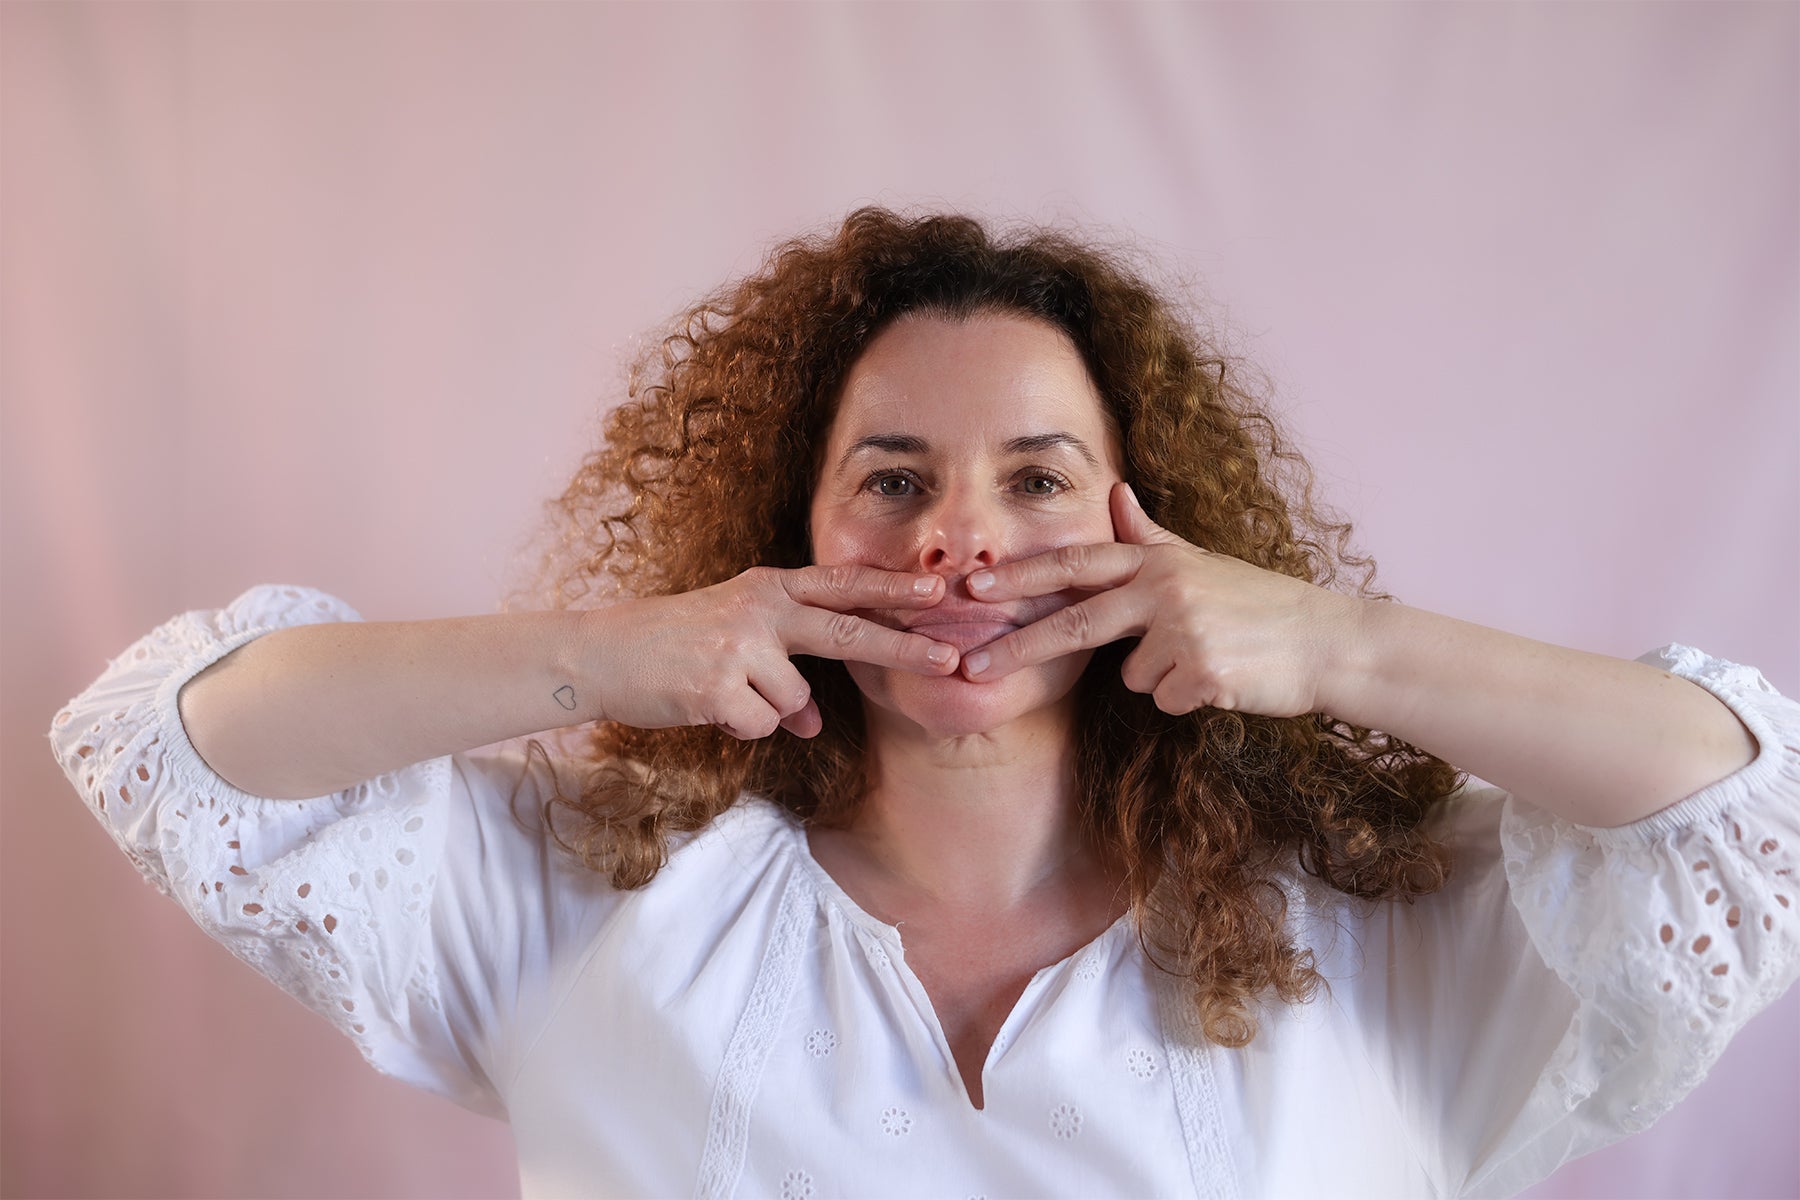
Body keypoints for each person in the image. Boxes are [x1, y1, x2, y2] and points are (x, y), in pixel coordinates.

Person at [51, 208, 1799, 1199]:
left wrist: (1335, 644)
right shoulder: (596, 896)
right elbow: (181, 742)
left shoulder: (1371, 928)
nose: (962, 538)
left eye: (1040, 480)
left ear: (1157, 526)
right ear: (791, 533)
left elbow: (1739, 808)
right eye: (891, 477)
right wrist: (613, 649)